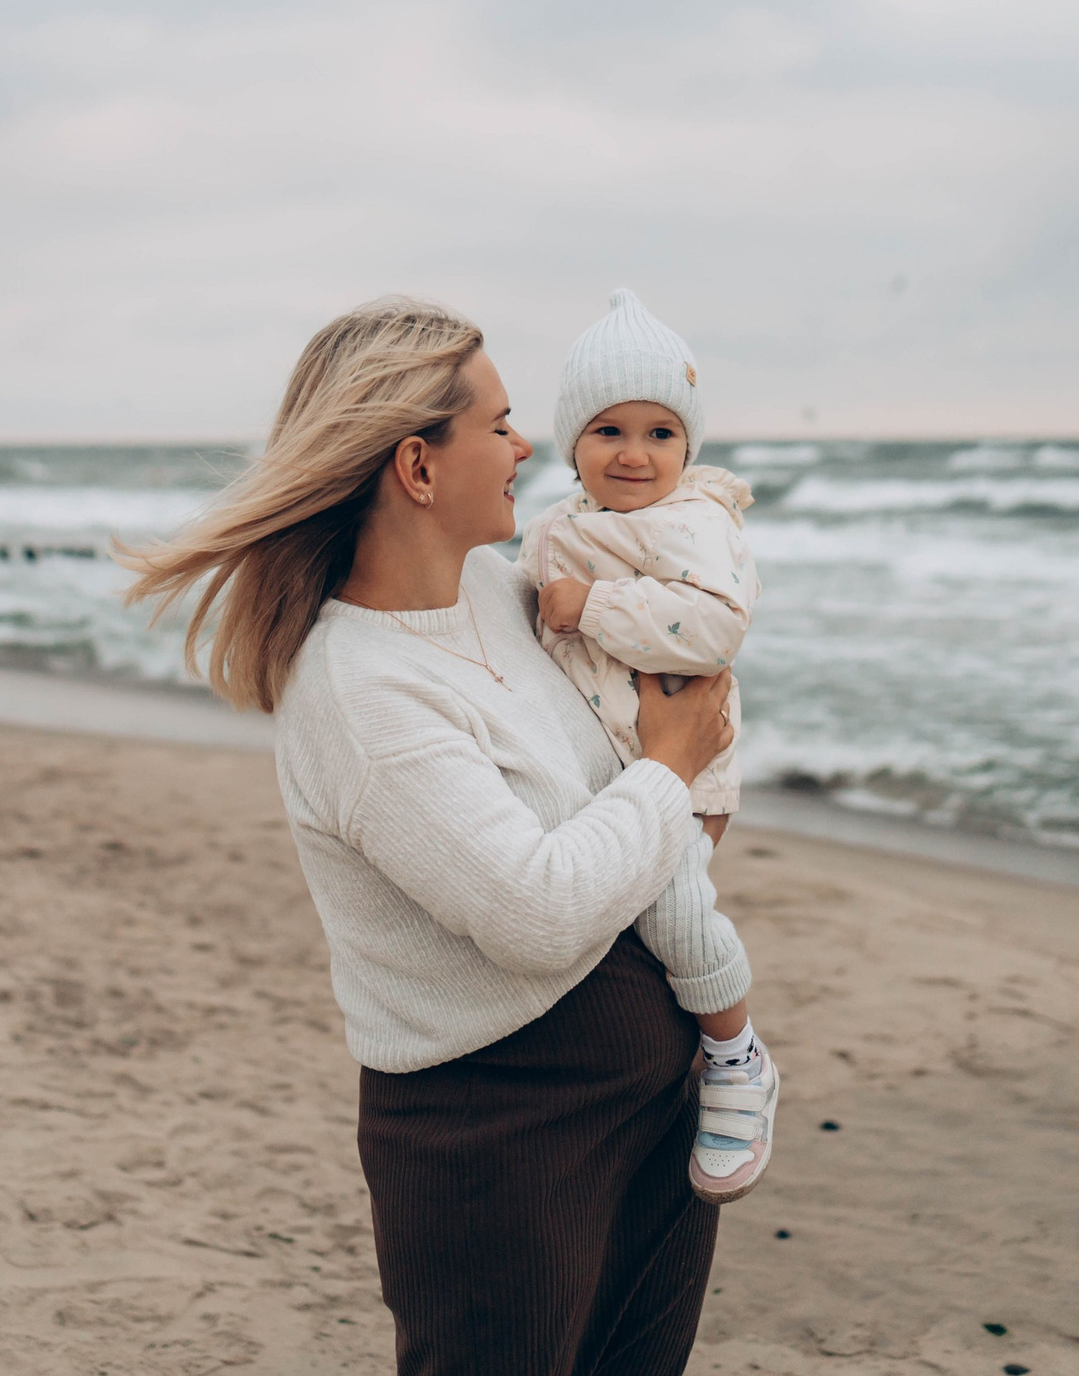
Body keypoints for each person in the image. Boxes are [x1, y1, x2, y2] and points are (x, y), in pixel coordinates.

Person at [122, 296, 740, 1376]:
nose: (523, 446)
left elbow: (643, 766)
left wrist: (684, 761)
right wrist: (670, 767)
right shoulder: (360, 692)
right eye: (499, 424)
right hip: (500, 1144)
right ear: (416, 465)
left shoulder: (509, 599)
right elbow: (537, 912)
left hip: (650, 1103)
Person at [519, 288, 777, 1204]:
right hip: (603, 773)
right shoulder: (556, 527)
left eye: (662, 433)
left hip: (684, 768)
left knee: (672, 909)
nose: (636, 454)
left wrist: (593, 606)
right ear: (572, 443)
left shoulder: (695, 523)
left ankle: (735, 1052)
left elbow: (713, 629)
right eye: (611, 431)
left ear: (689, 445)